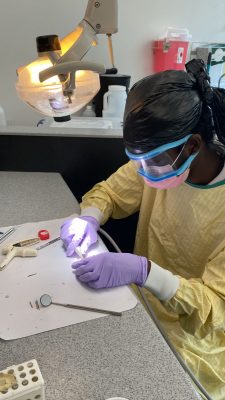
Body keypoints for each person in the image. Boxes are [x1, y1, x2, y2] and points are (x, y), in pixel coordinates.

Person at [60, 59, 225, 400]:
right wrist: (89, 217)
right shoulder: (161, 162)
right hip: (138, 306)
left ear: (192, 145)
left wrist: (145, 271)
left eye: (150, 160)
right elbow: (110, 192)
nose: (142, 171)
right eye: (136, 160)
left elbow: (214, 310)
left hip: (196, 342)